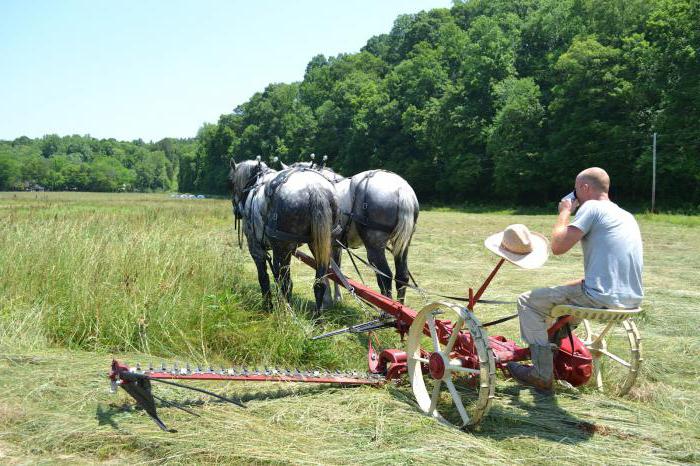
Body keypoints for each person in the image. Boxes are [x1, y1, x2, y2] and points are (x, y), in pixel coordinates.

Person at [506, 167, 644, 394]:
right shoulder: (626, 215)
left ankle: (540, 373)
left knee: (527, 301)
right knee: (565, 291)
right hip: (630, 298)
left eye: (576, 189)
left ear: (584, 188)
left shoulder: (591, 207)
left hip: (599, 297)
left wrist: (565, 211)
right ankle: (557, 346)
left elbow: (558, 247)